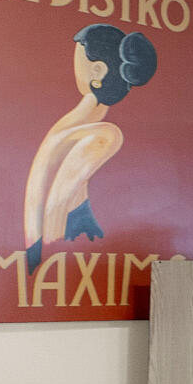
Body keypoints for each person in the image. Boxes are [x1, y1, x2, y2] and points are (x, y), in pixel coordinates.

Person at [22, 22, 156, 267]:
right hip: (51, 256)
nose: (73, 68)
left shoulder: (102, 135)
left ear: (97, 70)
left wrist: (42, 261)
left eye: (77, 60)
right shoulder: (80, 128)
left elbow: (56, 210)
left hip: (58, 253)